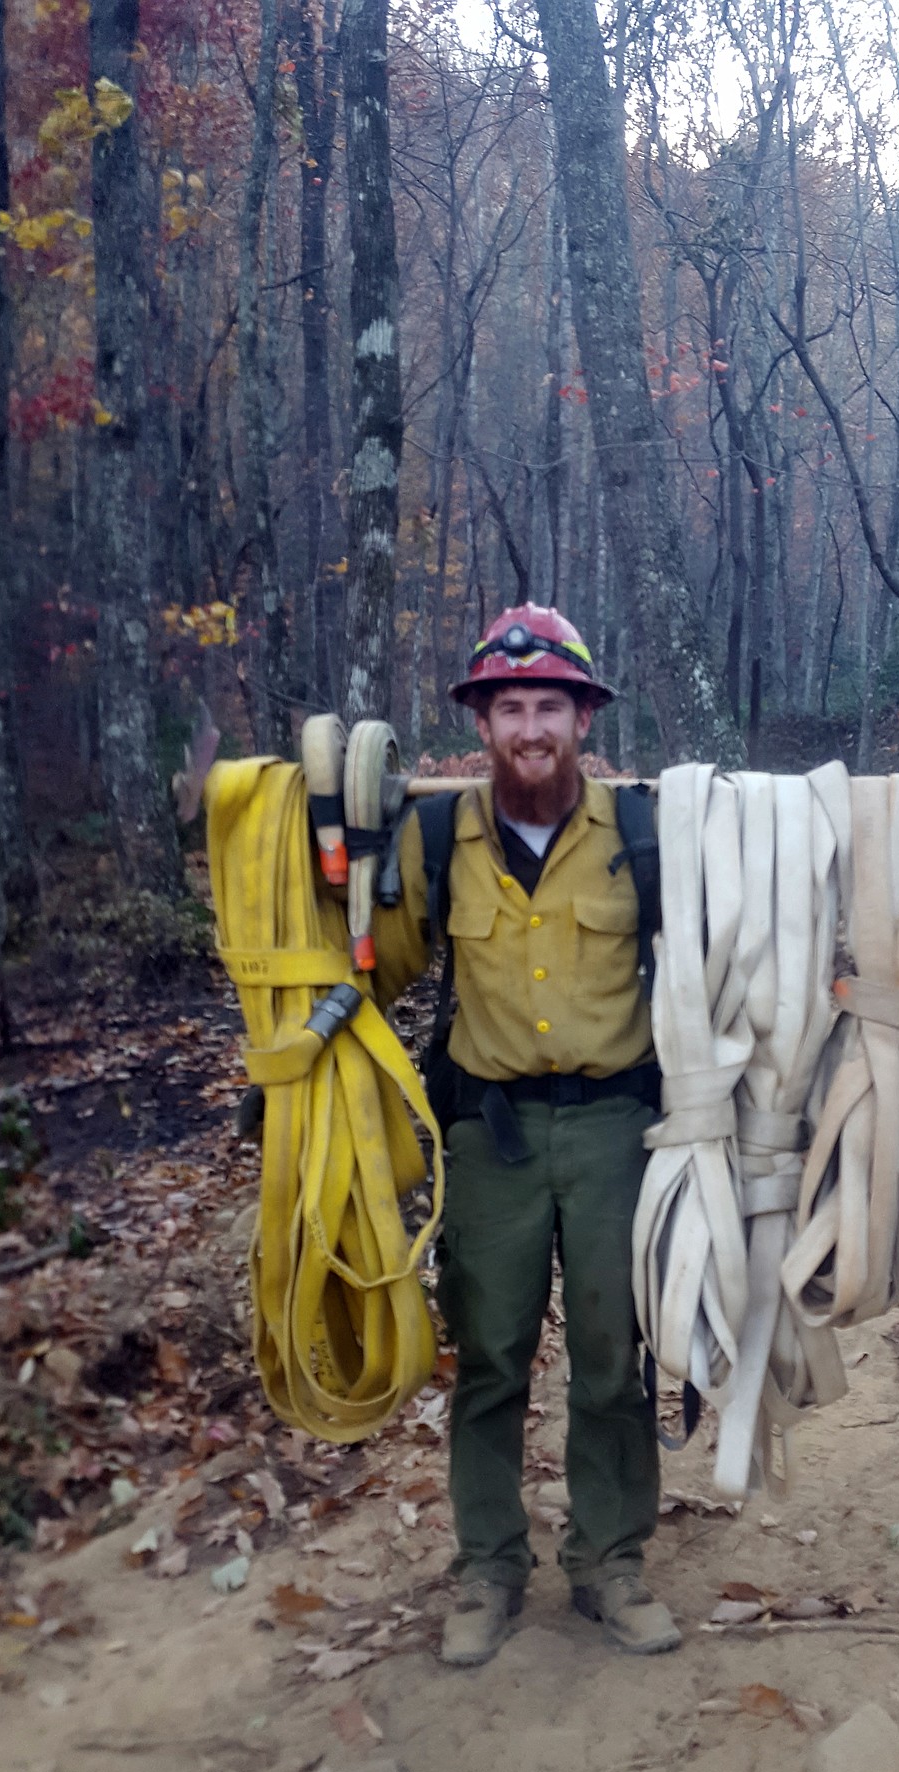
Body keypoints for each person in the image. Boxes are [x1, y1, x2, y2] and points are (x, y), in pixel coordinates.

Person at [371, 604, 680, 1667]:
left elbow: (719, 952)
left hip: (613, 1133)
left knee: (611, 1356)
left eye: (551, 704)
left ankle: (610, 1562)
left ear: (583, 718)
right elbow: (383, 969)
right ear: (484, 724)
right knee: (491, 1357)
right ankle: (489, 1569)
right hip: (490, 1137)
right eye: (510, 708)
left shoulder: (641, 832)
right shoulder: (434, 838)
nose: (531, 727)